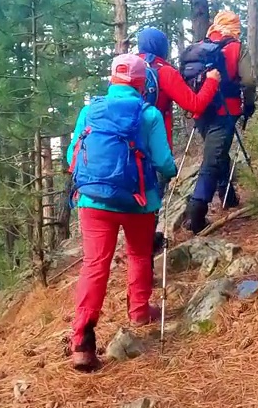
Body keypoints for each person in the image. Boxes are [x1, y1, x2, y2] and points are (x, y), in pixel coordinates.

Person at [65, 53, 178, 372]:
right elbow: (164, 162)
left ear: (112, 80)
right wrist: (170, 173)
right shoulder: (149, 115)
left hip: (93, 200)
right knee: (139, 254)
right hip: (137, 201)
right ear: (143, 83)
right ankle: (140, 311)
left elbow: (72, 155)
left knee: (94, 265)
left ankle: (82, 343)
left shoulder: (89, 112)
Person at [181, 10, 256, 233]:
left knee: (217, 152)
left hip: (201, 109)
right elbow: (249, 81)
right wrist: (248, 105)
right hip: (226, 110)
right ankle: (197, 210)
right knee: (212, 159)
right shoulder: (236, 47)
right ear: (235, 26)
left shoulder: (199, 46)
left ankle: (228, 195)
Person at [135, 26, 221, 148]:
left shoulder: (127, 69)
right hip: (155, 146)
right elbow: (195, 105)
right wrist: (212, 80)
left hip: (124, 145)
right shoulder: (164, 71)